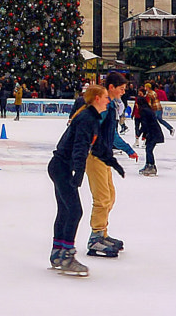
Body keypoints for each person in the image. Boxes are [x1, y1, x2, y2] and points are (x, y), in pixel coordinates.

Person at [46, 83, 108, 277]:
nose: (108, 100)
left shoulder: (88, 116)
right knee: (75, 210)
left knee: (66, 210)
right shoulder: (86, 118)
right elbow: (79, 148)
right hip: (62, 167)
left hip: (59, 166)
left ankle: (58, 252)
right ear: (96, 99)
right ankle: (66, 255)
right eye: (105, 97)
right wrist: (78, 173)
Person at [85, 72, 130, 258]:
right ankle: (95, 238)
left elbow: (112, 134)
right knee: (102, 198)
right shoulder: (103, 106)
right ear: (111, 87)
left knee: (110, 196)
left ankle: (102, 232)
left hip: (104, 155)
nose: (124, 92)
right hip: (95, 155)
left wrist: (128, 149)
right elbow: (91, 126)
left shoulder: (111, 105)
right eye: (121, 88)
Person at [134, 88, 166, 175]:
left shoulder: (144, 111)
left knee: (149, 149)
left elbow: (144, 124)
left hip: (154, 133)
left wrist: (139, 133)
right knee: (148, 149)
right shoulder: (146, 109)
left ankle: (151, 166)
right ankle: (148, 165)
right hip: (152, 132)